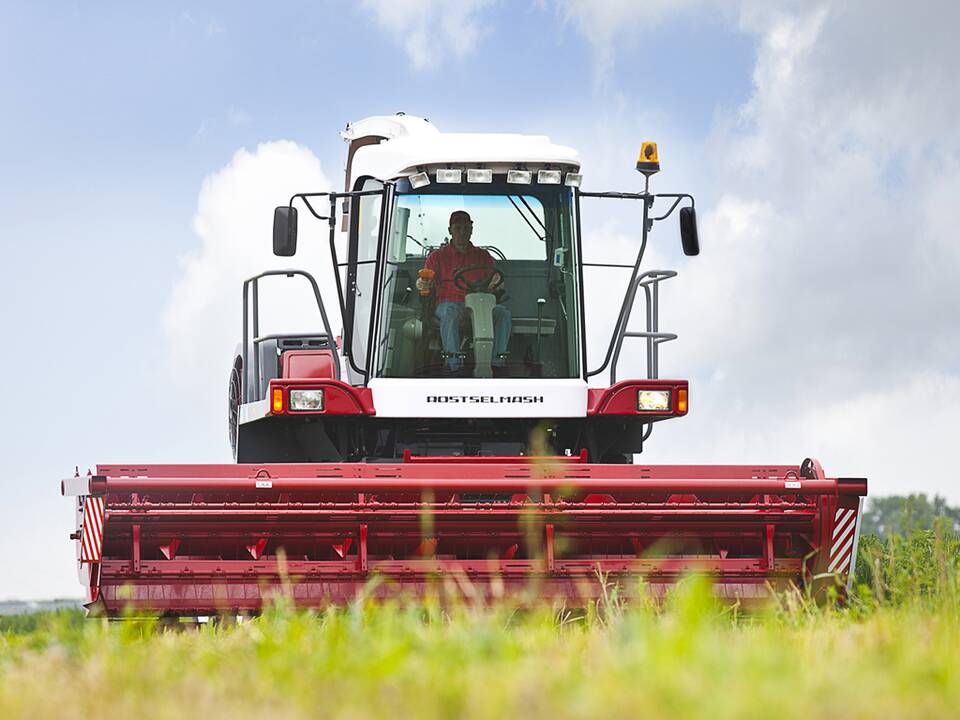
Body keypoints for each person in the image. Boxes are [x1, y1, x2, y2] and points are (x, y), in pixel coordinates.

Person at [415, 210, 512, 374]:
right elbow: (426, 280)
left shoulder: (483, 256)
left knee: (503, 314)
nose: (462, 232)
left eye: (466, 228)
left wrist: (496, 282)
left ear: (472, 230)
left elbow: (496, 278)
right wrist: (422, 282)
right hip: (450, 303)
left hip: (480, 304)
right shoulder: (437, 257)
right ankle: (454, 366)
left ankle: (497, 363)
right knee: (449, 313)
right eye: (458, 228)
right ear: (450, 230)